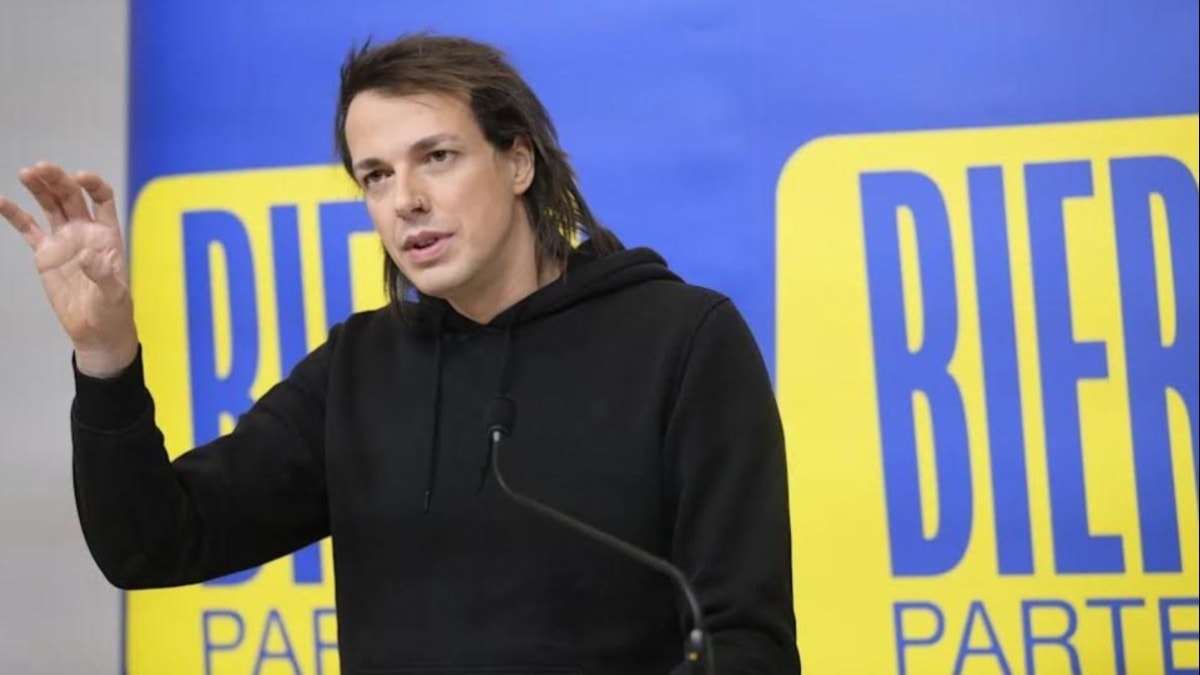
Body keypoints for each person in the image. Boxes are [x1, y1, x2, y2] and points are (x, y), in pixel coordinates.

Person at [1, 33, 802, 674]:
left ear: (518, 161)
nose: (406, 200)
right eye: (376, 176)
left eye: (437, 157)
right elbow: (151, 541)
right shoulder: (359, 369)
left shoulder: (682, 340)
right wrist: (105, 355)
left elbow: (746, 642)